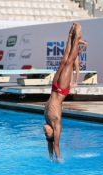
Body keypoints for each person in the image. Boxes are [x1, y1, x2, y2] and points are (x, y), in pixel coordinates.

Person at [43, 23, 82, 162]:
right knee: (69, 63)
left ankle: (69, 36)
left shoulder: (47, 121)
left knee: (62, 62)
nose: (44, 131)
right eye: (47, 133)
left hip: (54, 88)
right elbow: (56, 145)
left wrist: (51, 158)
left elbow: (50, 145)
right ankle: (77, 37)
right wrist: (58, 159)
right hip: (61, 91)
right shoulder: (56, 124)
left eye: (45, 133)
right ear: (52, 132)